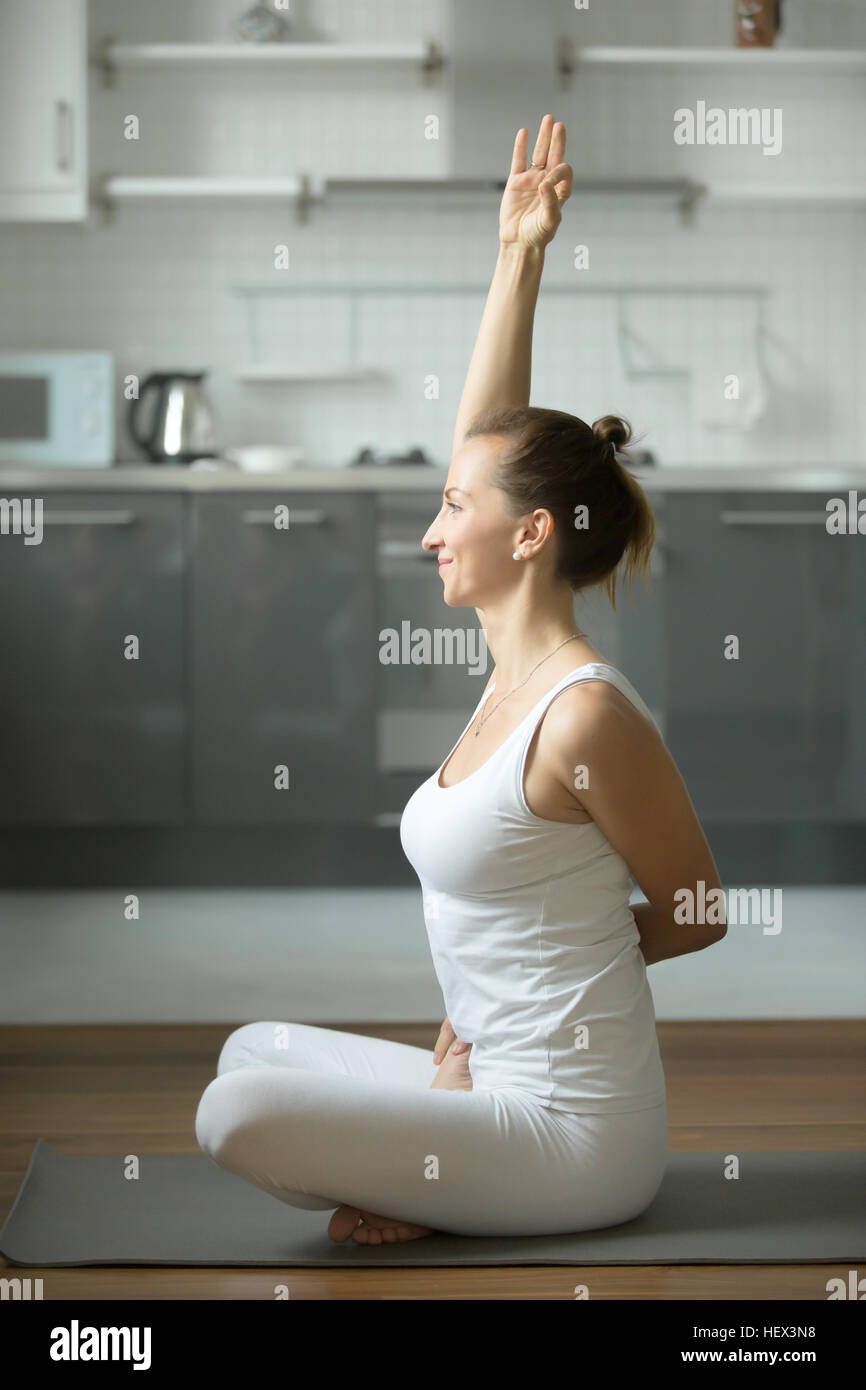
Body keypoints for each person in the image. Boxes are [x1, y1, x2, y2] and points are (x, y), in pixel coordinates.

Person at [195, 115, 727, 1245]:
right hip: (483, 1074)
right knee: (256, 1053)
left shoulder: (580, 711)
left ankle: (441, 1176)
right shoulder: (504, 676)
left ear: (529, 535)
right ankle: (438, 1163)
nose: (430, 533)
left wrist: (550, 983)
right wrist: (517, 254)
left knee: (234, 1109)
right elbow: (488, 441)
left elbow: (698, 909)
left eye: (450, 510)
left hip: (570, 1130)